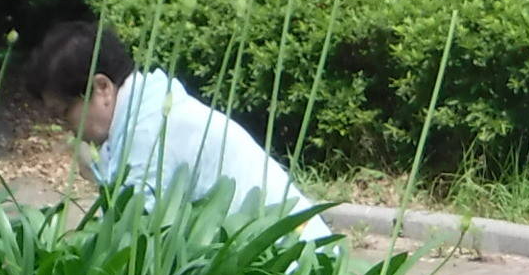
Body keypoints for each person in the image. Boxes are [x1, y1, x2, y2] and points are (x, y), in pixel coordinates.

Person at [22, 18, 330, 238]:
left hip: (291, 265)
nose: (67, 129)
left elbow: (131, 237)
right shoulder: (148, 105)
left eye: (64, 113)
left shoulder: (149, 130)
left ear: (102, 87)